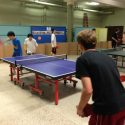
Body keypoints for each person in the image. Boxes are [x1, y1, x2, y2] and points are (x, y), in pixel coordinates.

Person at [76, 30, 125, 125]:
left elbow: (88, 90)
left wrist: (80, 108)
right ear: (95, 43)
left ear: (80, 45)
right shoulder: (108, 58)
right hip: (123, 104)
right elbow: (114, 80)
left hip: (107, 110)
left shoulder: (82, 60)